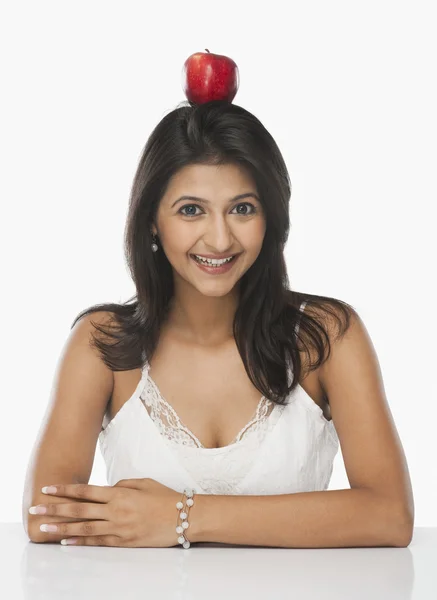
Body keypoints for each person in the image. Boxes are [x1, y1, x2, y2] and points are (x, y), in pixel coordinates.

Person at [22, 100, 414, 549]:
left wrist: (182, 517)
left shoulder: (326, 337)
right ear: (152, 221)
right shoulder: (103, 344)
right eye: (191, 210)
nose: (221, 238)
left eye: (242, 209)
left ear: (271, 217)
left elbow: (389, 515)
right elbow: (44, 519)